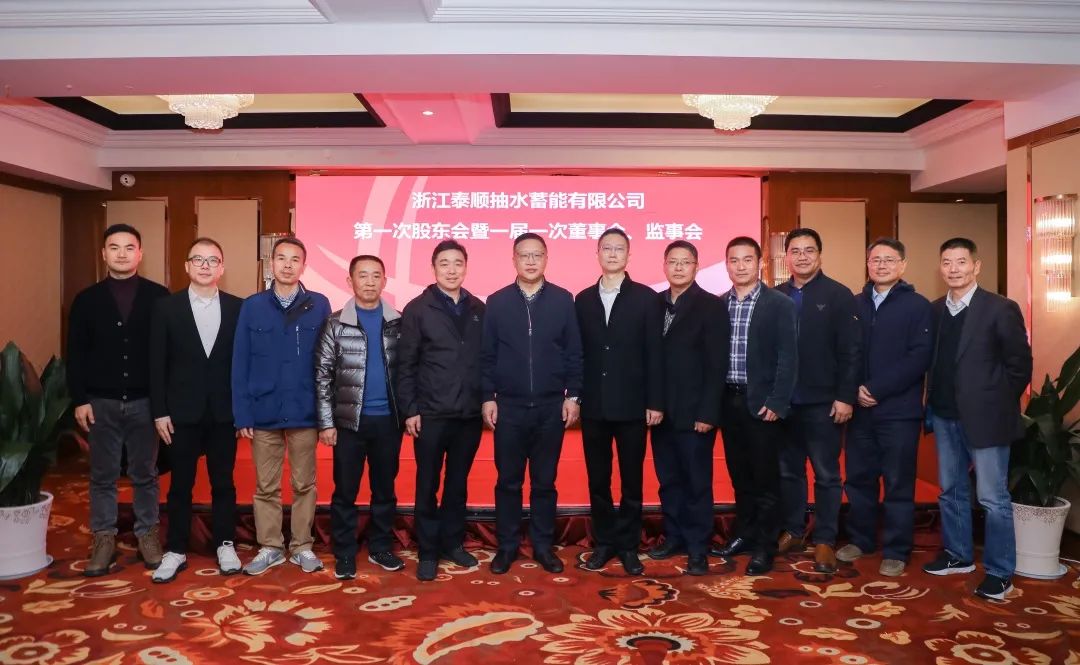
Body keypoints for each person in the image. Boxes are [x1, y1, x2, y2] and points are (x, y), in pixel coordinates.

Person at [923, 237, 1031, 601]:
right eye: (947, 263)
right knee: (950, 490)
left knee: (992, 497)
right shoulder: (936, 310)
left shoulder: (1000, 308)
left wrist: (994, 402)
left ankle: (1000, 572)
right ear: (940, 268)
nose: (954, 269)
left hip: (986, 419)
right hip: (944, 415)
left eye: (961, 262)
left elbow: (1020, 366)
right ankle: (959, 555)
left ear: (976, 266)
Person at [68, 223, 169, 577]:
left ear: (140, 254)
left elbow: (166, 354)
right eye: (115, 247)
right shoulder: (86, 300)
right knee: (103, 475)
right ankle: (104, 539)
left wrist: (164, 404)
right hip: (101, 404)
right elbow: (75, 354)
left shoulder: (159, 296)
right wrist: (80, 399)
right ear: (104, 254)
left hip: (145, 402)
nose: (122, 254)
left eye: (129, 248)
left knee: (146, 473)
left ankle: (147, 535)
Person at [481, 233, 583, 575]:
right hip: (508, 408)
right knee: (508, 482)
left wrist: (573, 395)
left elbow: (573, 352)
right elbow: (487, 355)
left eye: (537, 255)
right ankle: (507, 547)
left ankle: (542, 546)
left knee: (544, 482)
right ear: (513, 259)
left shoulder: (563, 300)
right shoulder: (496, 302)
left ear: (546, 259)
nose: (530, 261)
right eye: (524, 255)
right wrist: (487, 397)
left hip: (550, 407)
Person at [232, 236, 331, 576]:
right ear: (271, 263)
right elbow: (240, 362)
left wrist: (325, 414)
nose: (288, 265)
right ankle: (271, 546)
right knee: (266, 486)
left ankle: (302, 546)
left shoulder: (319, 304)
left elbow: (327, 362)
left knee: (305, 484)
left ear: (304, 266)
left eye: (295, 259)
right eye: (281, 258)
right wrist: (243, 413)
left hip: (304, 409)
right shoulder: (253, 306)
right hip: (264, 410)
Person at [149, 238, 243, 583]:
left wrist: (243, 411)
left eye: (212, 260)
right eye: (198, 259)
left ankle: (225, 544)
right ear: (187, 266)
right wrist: (159, 411)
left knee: (224, 482)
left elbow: (243, 365)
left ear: (222, 268)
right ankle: (175, 549)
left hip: (224, 412)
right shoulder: (166, 308)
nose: (205, 266)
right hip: (180, 412)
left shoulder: (238, 307)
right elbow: (156, 364)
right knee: (180, 485)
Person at [839, 238, 932, 577]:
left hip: (899, 412)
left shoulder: (918, 306)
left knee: (897, 482)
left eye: (889, 260)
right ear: (867, 264)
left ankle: (896, 549)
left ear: (903, 265)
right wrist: (854, 390)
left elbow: (919, 357)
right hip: (859, 411)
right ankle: (861, 540)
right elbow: (844, 353)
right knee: (859, 479)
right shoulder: (854, 304)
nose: (881, 265)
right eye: (875, 259)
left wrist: (877, 389)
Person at [575, 228, 664, 576]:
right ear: (597, 254)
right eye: (607, 248)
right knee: (598, 479)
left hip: (632, 405)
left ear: (629, 255)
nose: (612, 254)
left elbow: (655, 354)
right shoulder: (582, 299)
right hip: (594, 406)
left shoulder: (647, 298)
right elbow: (578, 353)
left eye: (619, 249)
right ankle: (604, 542)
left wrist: (655, 401)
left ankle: (628, 546)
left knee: (631, 480)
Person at [397, 241, 486, 582]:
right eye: (444, 263)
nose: (451, 270)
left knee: (458, 483)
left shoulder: (478, 308)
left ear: (466, 267)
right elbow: (406, 364)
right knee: (427, 483)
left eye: (458, 263)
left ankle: (452, 543)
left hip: (468, 414)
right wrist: (410, 409)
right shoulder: (418, 309)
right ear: (433, 268)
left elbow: (486, 360)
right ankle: (428, 550)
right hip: (431, 414)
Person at [775, 228, 861, 573]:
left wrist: (845, 396)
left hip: (824, 403)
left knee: (826, 474)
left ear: (820, 255)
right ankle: (794, 531)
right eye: (795, 251)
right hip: (784, 404)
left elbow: (851, 351)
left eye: (809, 250)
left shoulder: (838, 295)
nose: (802, 257)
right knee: (788, 472)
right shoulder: (776, 295)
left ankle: (825, 538)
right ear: (786, 257)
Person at [712, 236, 798, 576]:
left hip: (763, 404)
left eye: (747, 259)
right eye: (734, 260)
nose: (741, 266)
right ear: (726, 265)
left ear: (760, 263)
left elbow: (789, 358)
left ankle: (765, 546)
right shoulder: (720, 304)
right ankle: (744, 535)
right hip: (729, 401)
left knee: (766, 480)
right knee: (740, 476)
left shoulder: (779, 304)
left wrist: (777, 400)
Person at [315, 255, 405, 579]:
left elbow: (409, 371)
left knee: (385, 489)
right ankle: (344, 552)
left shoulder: (399, 322)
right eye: (362, 275)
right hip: (348, 423)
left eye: (376, 275)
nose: (369, 281)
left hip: (389, 421)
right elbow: (322, 375)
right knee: (345, 491)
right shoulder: (335, 323)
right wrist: (326, 422)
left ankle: (381, 547)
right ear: (349, 281)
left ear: (384, 281)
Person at [646, 240, 727, 576]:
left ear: (696, 266)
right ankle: (675, 536)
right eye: (673, 262)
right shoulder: (654, 304)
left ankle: (697, 547)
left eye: (685, 262)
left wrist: (708, 412)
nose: (678, 268)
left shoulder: (711, 306)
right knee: (668, 480)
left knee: (696, 483)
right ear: (664, 266)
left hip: (695, 414)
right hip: (660, 413)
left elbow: (717, 364)